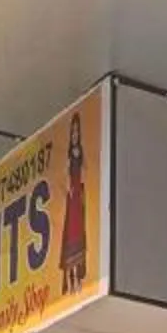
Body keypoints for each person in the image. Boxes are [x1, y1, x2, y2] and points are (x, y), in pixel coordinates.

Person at [58, 112, 91, 295]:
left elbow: (86, 170)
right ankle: (71, 279)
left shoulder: (80, 153)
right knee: (71, 235)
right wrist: (67, 190)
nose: (75, 135)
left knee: (79, 233)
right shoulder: (69, 156)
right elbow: (63, 176)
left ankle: (77, 278)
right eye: (73, 132)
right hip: (73, 199)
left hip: (79, 196)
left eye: (77, 132)